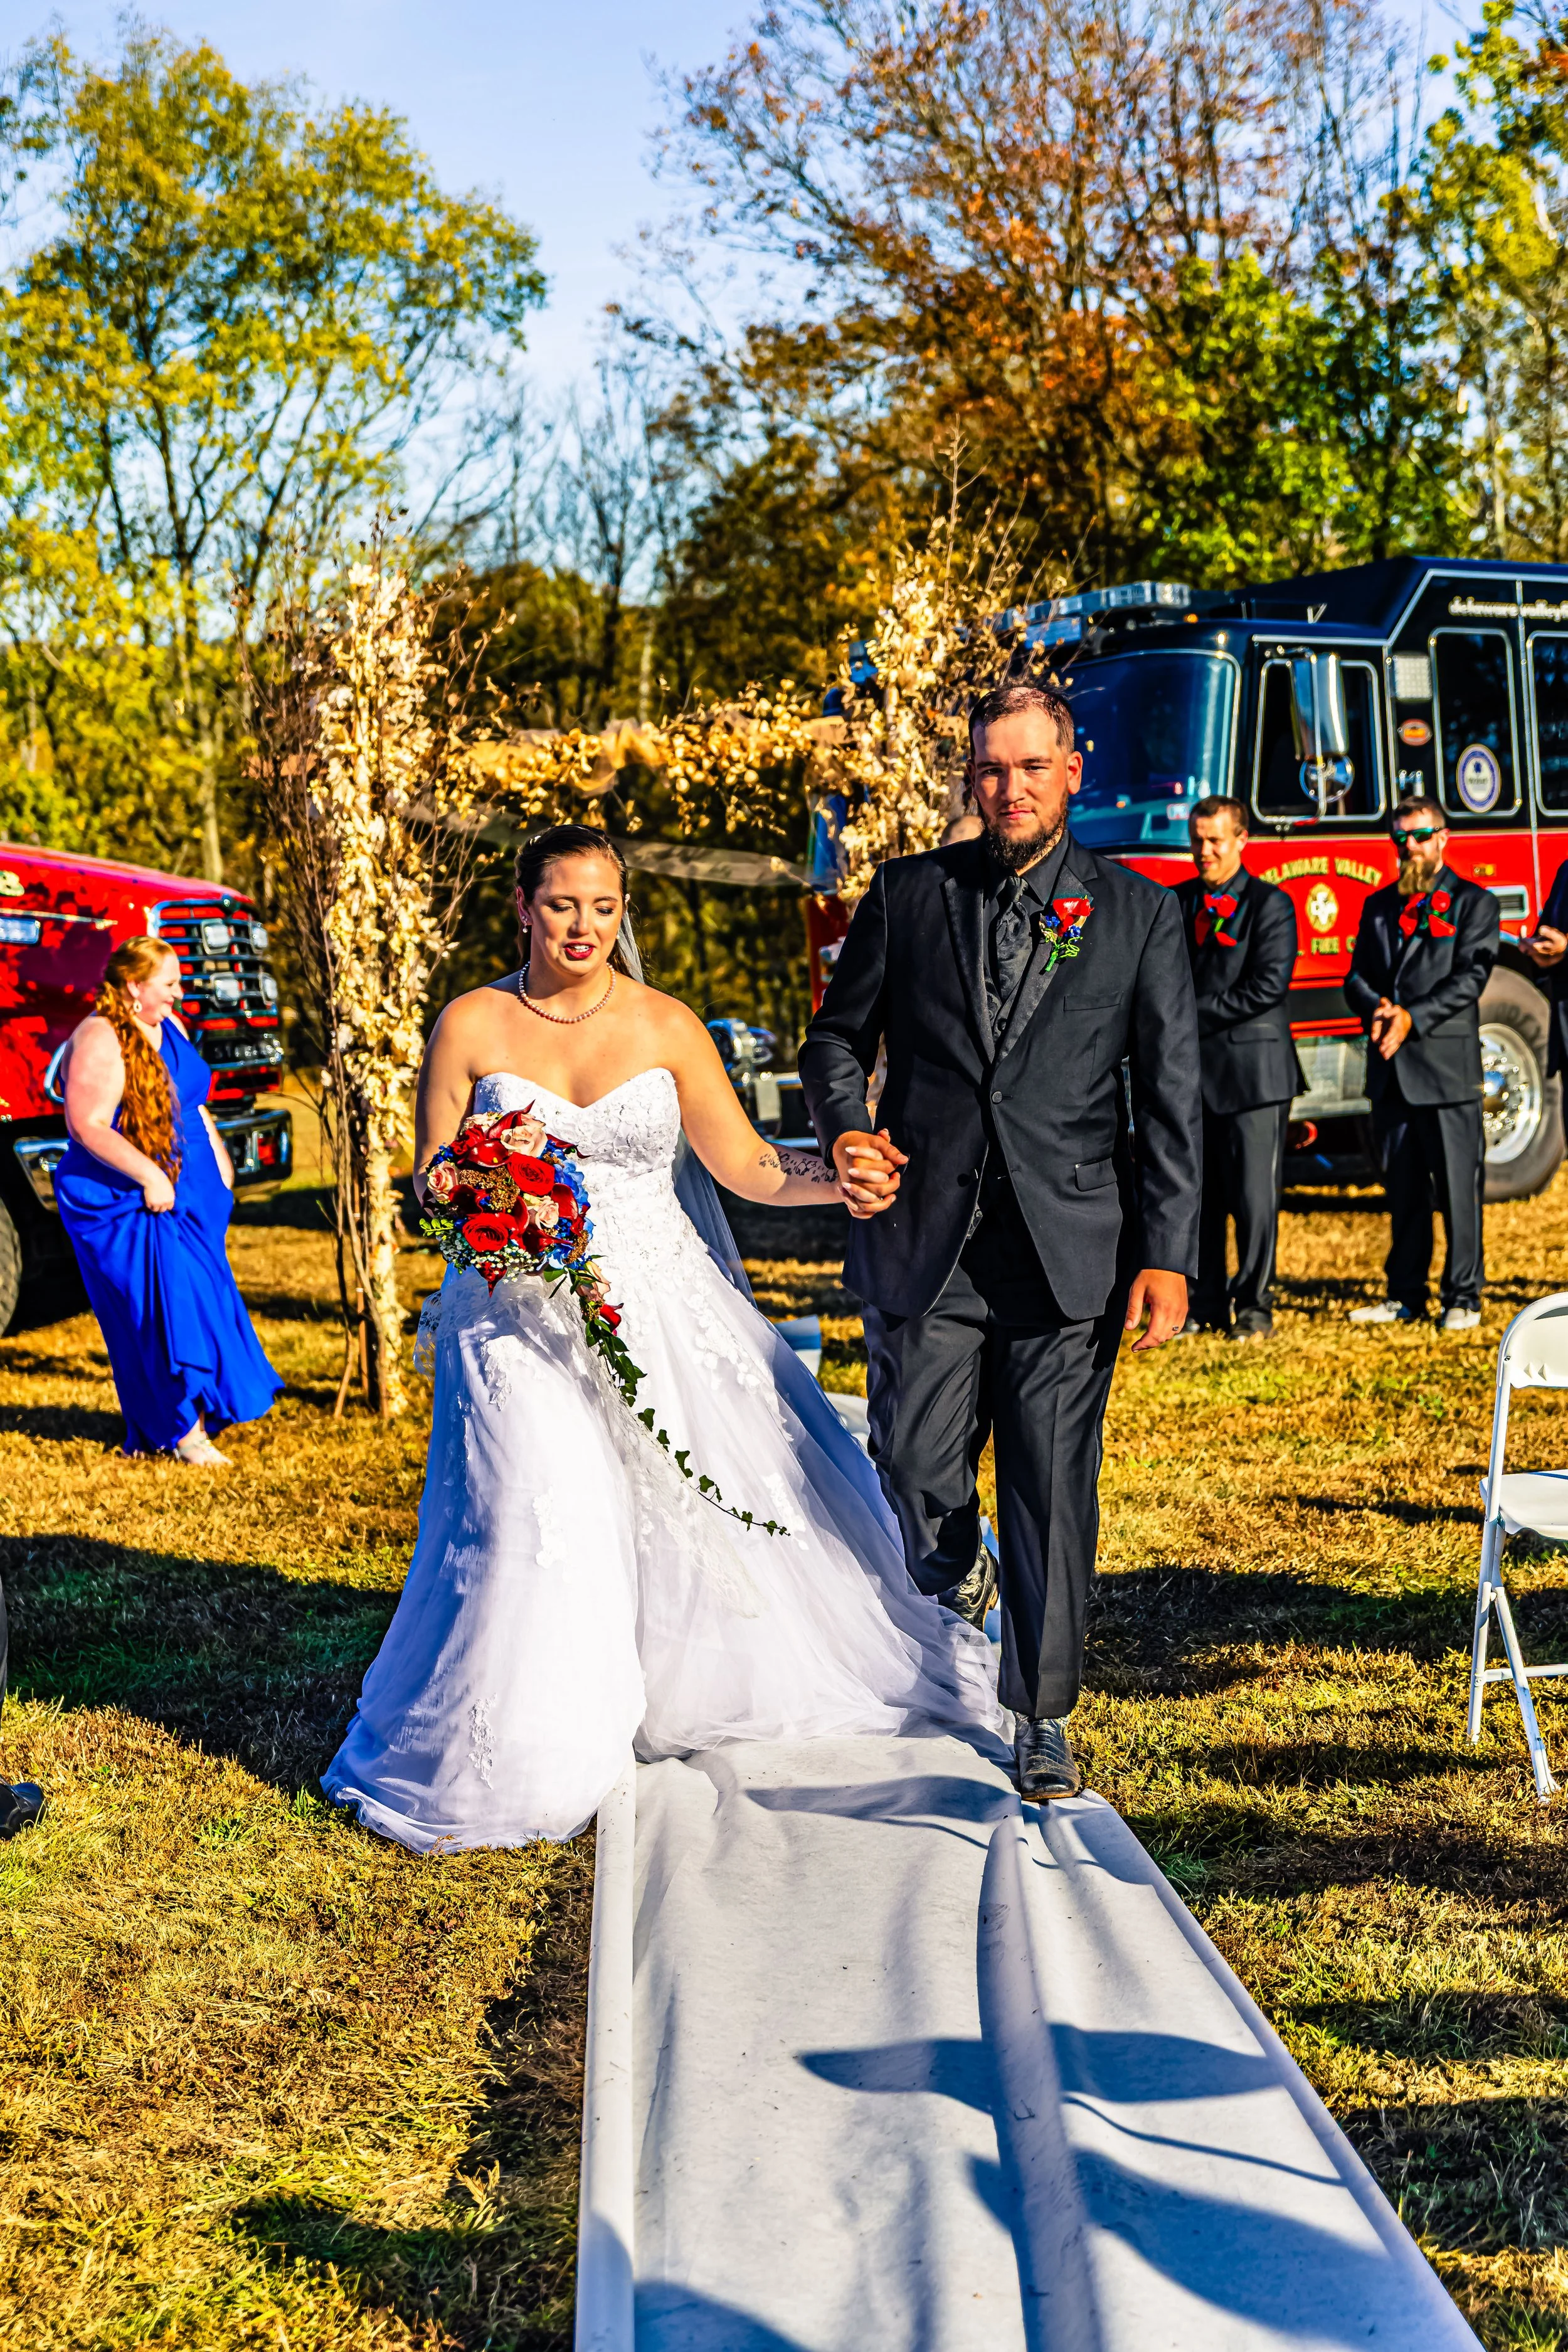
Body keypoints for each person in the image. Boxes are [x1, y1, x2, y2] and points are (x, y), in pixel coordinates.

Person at [322, 825, 1001, 1852]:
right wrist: (484, 1192)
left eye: (604, 905)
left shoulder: (667, 1025)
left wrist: (845, 1173)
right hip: (514, 1312)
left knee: (694, 1496)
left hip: (657, 1296)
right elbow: (431, 1176)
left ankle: (671, 1681)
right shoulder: (470, 1022)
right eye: (562, 905)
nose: (585, 925)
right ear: (522, 907)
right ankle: (531, 1749)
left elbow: (748, 1168)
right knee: (537, 1510)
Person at [798, 681, 1202, 1802]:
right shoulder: (907, 895)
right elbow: (835, 1042)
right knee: (915, 1463)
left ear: (1073, 771)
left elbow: (1171, 1097)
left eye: (1032, 767)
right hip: (929, 1236)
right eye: (991, 769)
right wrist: (846, 1130)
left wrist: (1168, 1254)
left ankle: (1040, 1708)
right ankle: (957, 1567)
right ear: (968, 777)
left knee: (1052, 1486)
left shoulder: (1138, 914)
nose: (1010, 787)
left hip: (1072, 1245)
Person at [53, 937, 281, 1462]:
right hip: (128, 1199)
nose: (179, 994)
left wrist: (220, 1160)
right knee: (158, 1312)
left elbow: (192, 1100)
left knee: (202, 1303)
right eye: (170, 984)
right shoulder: (100, 1035)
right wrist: (152, 1177)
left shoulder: (166, 1026)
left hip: (193, 1199)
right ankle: (181, 1434)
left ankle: (196, 1415)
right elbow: (85, 1125)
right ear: (134, 987)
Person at [1344, 797, 1498, 1332]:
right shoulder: (1379, 905)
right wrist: (1379, 1009)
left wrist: (1413, 1017)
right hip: (1392, 1071)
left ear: (1443, 838)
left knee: (1458, 1190)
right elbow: (1356, 976)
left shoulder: (1474, 903)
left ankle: (1464, 1296)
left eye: (1418, 835)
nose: (1407, 847)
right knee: (1404, 1191)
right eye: (1399, 839)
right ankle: (1406, 1293)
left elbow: (1470, 981)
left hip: (1446, 1068)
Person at [1174, 795, 1302, 1342]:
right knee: (1200, 1199)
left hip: (1255, 1076)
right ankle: (1204, 1307)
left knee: (1254, 1202)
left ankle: (1254, 1310)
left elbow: (1267, 987)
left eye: (1216, 840)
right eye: (1198, 840)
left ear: (1242, 840)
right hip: (1193, 1076)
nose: (1205, 851)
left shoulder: (1272, 906)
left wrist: (1183, 1016)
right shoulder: (1174, 902)